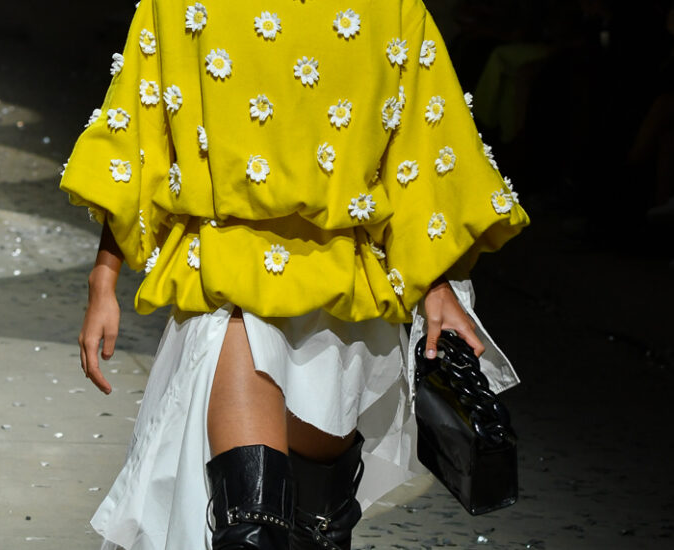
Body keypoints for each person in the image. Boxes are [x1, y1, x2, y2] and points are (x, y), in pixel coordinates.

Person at [59, 1, 531, 549]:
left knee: (315, 527)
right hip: (235, 285)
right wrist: (103, 280)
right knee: (251, 529)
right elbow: (140, 134)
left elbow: (421, 145)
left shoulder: (393, 9)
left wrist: (438, 284)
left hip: (343, 300)